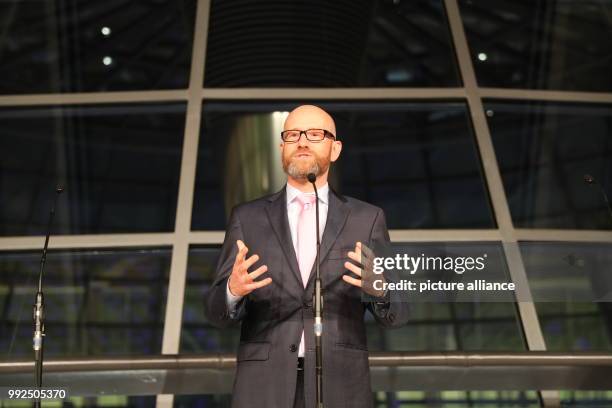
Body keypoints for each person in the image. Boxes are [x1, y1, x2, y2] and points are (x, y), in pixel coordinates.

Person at [204, 104, 408, 408]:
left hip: (340, 385)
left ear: (335, 149)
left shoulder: (367, 219)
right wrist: (233, 291)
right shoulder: (247, 218)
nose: (302, 141)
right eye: (293, 135)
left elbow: (398, 314)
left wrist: (378, 289)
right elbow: (214, 312)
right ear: (282, 147)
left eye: (314, 134)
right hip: (263, 387)